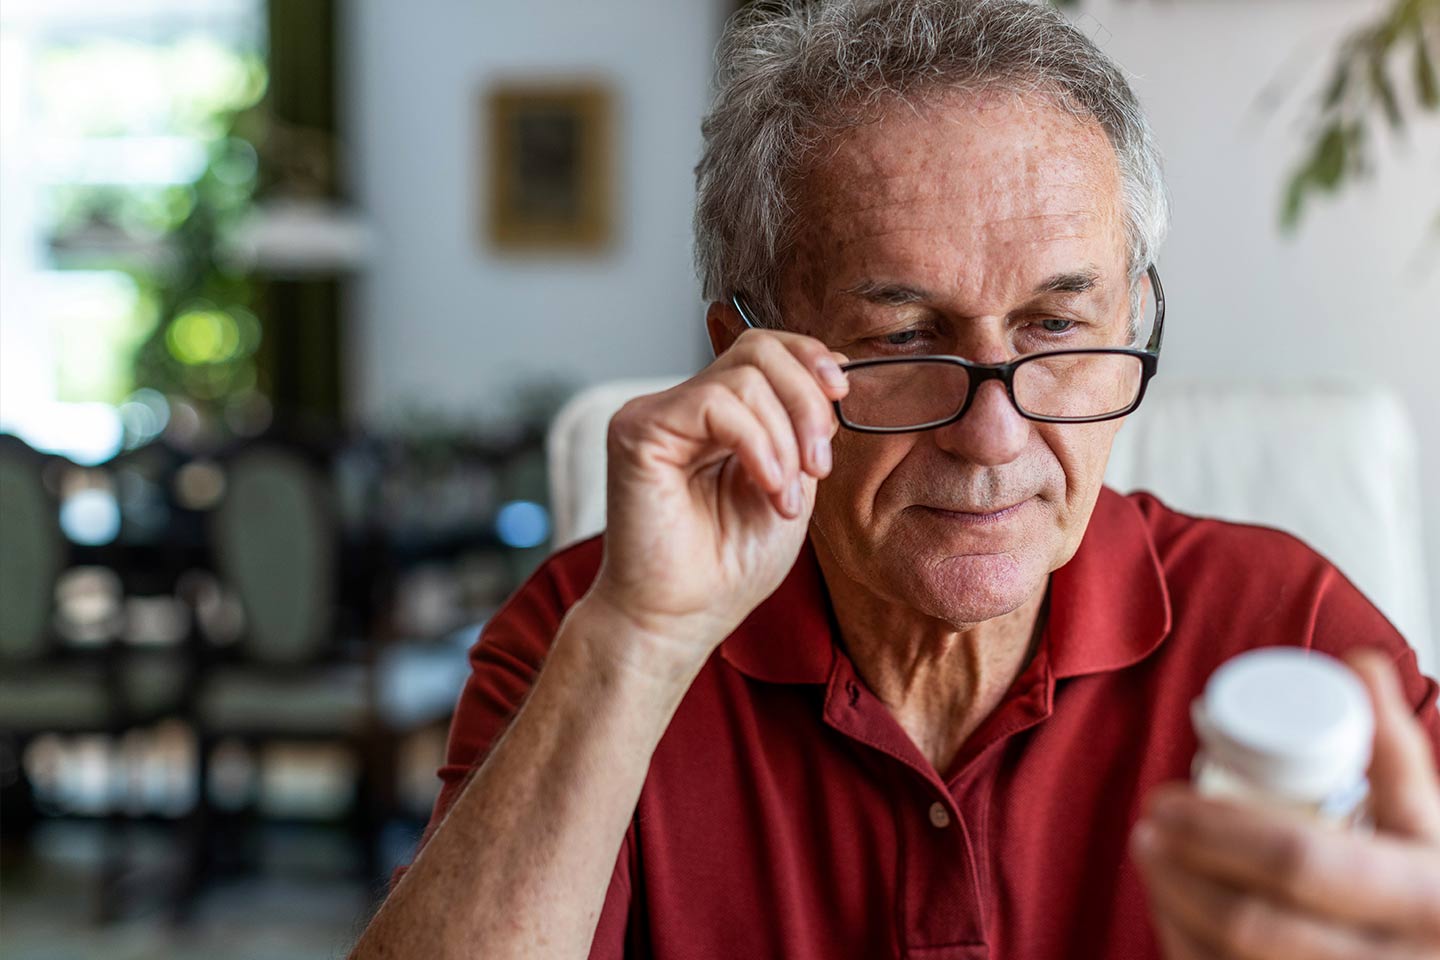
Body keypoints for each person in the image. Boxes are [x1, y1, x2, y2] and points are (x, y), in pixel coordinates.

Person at [352, 1, 1440, 957]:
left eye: (1058, 327)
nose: (994, 437)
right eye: (907, 339)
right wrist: (634, 646)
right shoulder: (585, 640)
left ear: (1133, 317)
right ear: (746, 351)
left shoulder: (1289, 629)